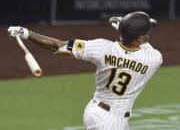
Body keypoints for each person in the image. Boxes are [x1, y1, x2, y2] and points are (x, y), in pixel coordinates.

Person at [8, 11, 163, 130]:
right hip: (109, 122)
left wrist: (27, 33)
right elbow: (142, 45)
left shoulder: (102, 47)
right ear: (140, 39)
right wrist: (122, 30)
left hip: (96, 111)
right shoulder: (153, 59)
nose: (149, 34)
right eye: (146, 32)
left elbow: (58, 46)